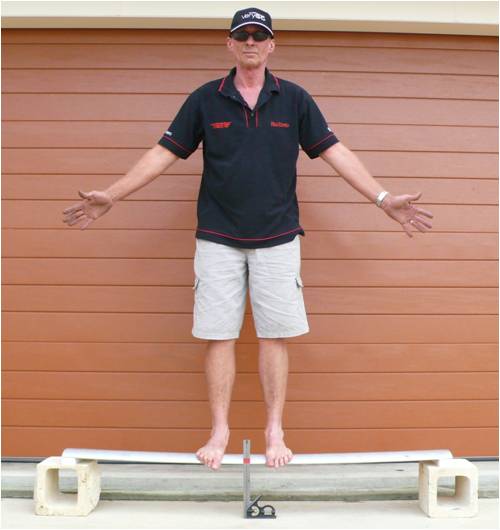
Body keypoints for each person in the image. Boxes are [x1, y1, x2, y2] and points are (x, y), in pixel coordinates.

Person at [62, 7, 434, 472]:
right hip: (217, 237)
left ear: (272, 44)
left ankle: (274, 429)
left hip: (278, 237)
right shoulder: (205, 99)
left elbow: (335, 152)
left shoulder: (294, 99)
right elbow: (163, 153)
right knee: (218, 335)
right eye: (243, 36)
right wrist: (113, 195)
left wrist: (382, 198)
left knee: (274, 336)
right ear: (231, 44)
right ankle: (219, 429)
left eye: (260, 36)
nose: (251, 42)